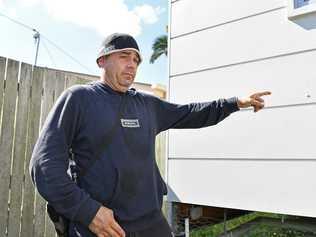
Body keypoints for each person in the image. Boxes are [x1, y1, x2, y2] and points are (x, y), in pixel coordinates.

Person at [30, 33, 271, 237]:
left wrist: (234, 103)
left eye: (136, 59)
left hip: (151, 223)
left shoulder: (147, 105)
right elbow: (44, 165)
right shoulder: (79, 99)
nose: (132, 63)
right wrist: (88, 212)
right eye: (124, 56)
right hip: (105, 227)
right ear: (102, 60)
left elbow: (190, 113)